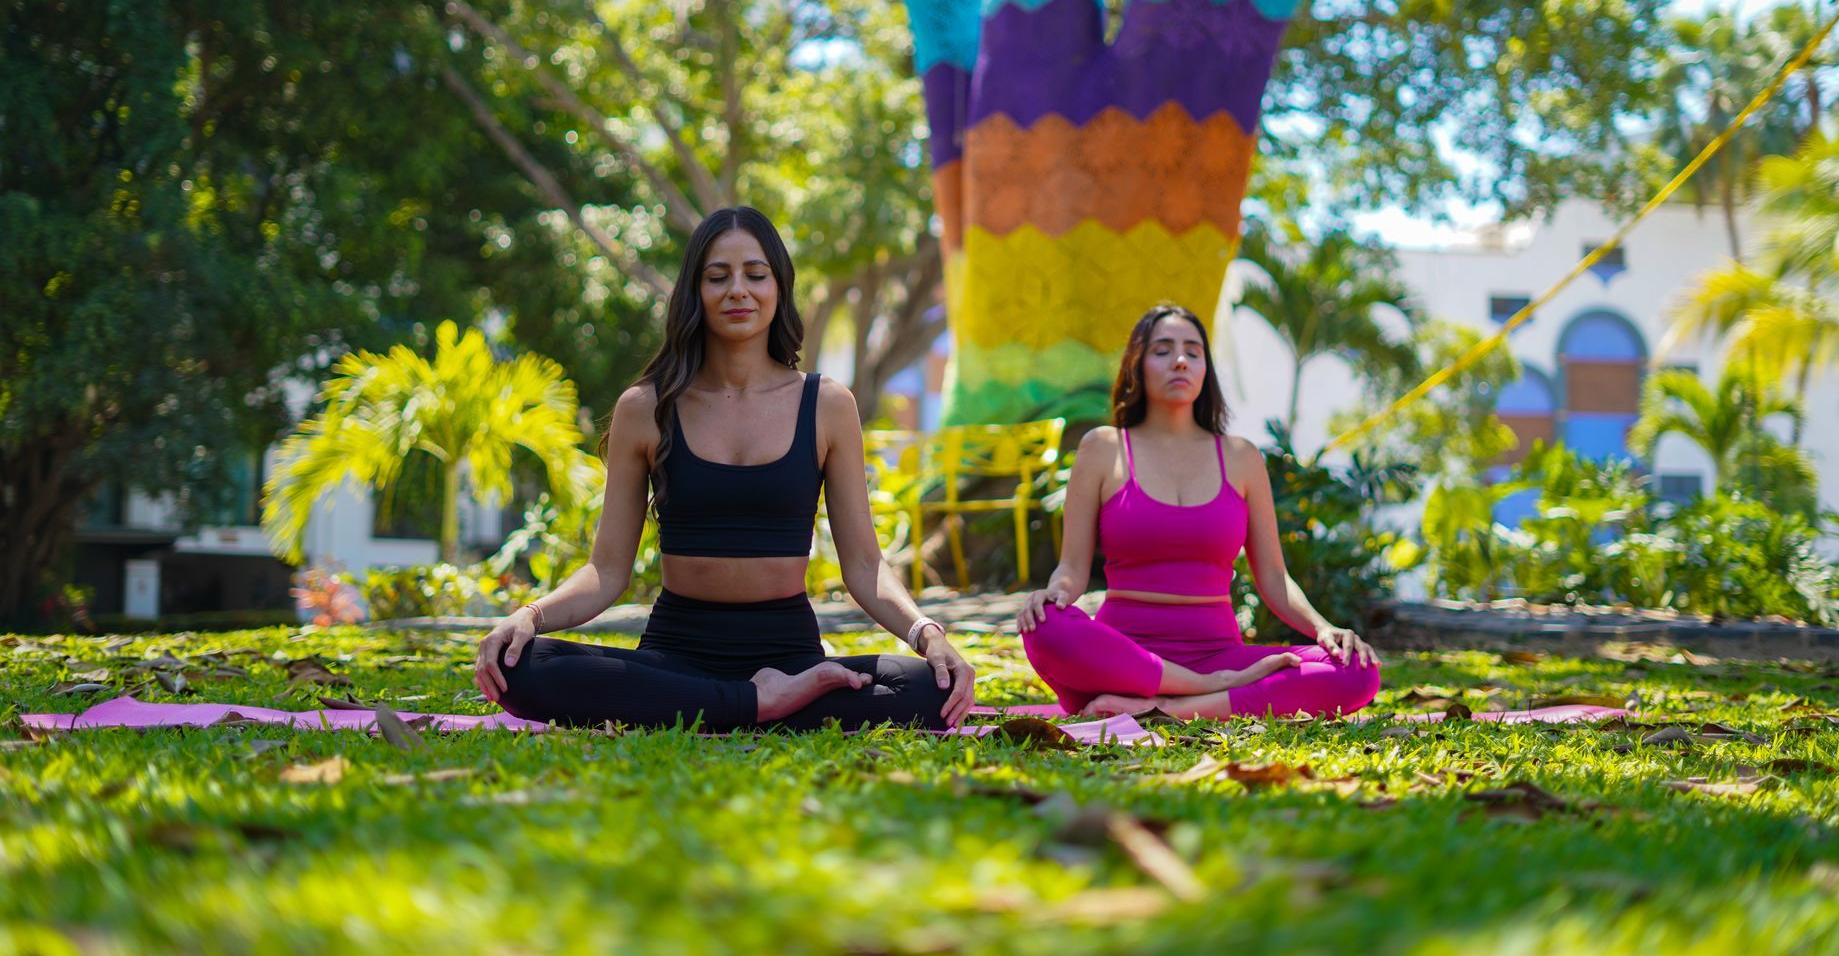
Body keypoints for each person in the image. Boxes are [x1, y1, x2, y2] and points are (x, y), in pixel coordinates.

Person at [473, 207, 975, 731]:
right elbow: (607, 572)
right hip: (676, 654)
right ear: (695, 292)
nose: (738, 290)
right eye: (718, 277)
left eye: (755, 275)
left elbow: (866, 567)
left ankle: (722, 704)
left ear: (779, 287)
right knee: (526, 666)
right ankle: (758, 706)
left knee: (926, 687)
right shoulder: (647, 408)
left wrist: (927, 633)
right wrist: (528, 616)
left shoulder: (826, 404)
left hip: (792, 657)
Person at [1017, 303, 1381, 719]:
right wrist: (1054, 596)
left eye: (1193, 351)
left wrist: (1322, 628)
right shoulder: (1103, 448)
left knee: (1358, 669)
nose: (1180, 361)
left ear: (1206, 367)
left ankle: (1170, 708)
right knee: (1045, 623)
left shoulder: (1241, 457)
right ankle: (1205, 694)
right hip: (1123, 663)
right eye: (1162, 350)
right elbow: (1072, 569)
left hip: (1218, 653)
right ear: (1137, 364)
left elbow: (1274, 577)